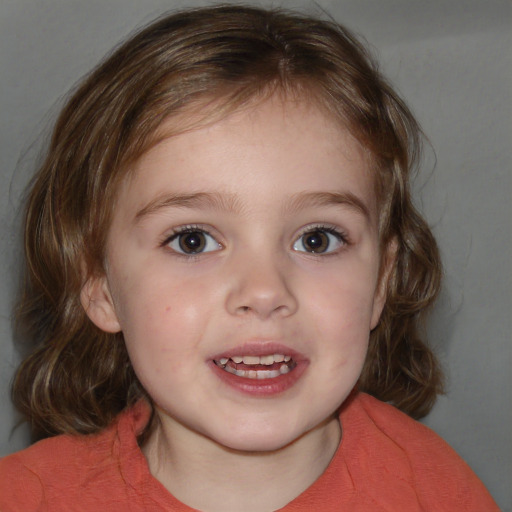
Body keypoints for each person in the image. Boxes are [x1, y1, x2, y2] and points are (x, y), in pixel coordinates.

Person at [0, 4, 499, 511]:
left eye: (317, 240)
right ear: (100, 285)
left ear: (381, 283)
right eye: (192, 240)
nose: (264, 292)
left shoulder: (437, 493)